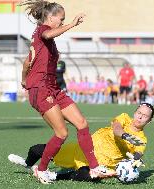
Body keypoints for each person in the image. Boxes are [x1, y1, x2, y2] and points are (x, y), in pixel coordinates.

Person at [19, 0, 113, 184]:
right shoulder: (42, 31)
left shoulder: (48, 41)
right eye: (61, 19)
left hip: (53, 88)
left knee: (82, 124)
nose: (62, 22)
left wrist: (23, 78)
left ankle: (94, 168)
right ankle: (41, 169)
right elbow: (48, 34)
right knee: (61, 133)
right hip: (41, 89)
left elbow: (27, 62)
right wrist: (72, 24)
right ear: (51, 17)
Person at [8, 103, 154, 182]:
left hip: (98, 163)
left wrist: (136, 159)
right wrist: (124, 135)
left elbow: (138, 152)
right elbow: (116, 128)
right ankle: (28, 164)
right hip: (84, 149)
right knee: (36, 150)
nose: (140, 117)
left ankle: (54, 175)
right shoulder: (124, 118)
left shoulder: (142, 139)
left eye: (145, 116)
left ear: (149, 122)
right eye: (139, 113)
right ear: (135, 112)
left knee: (87, 177)